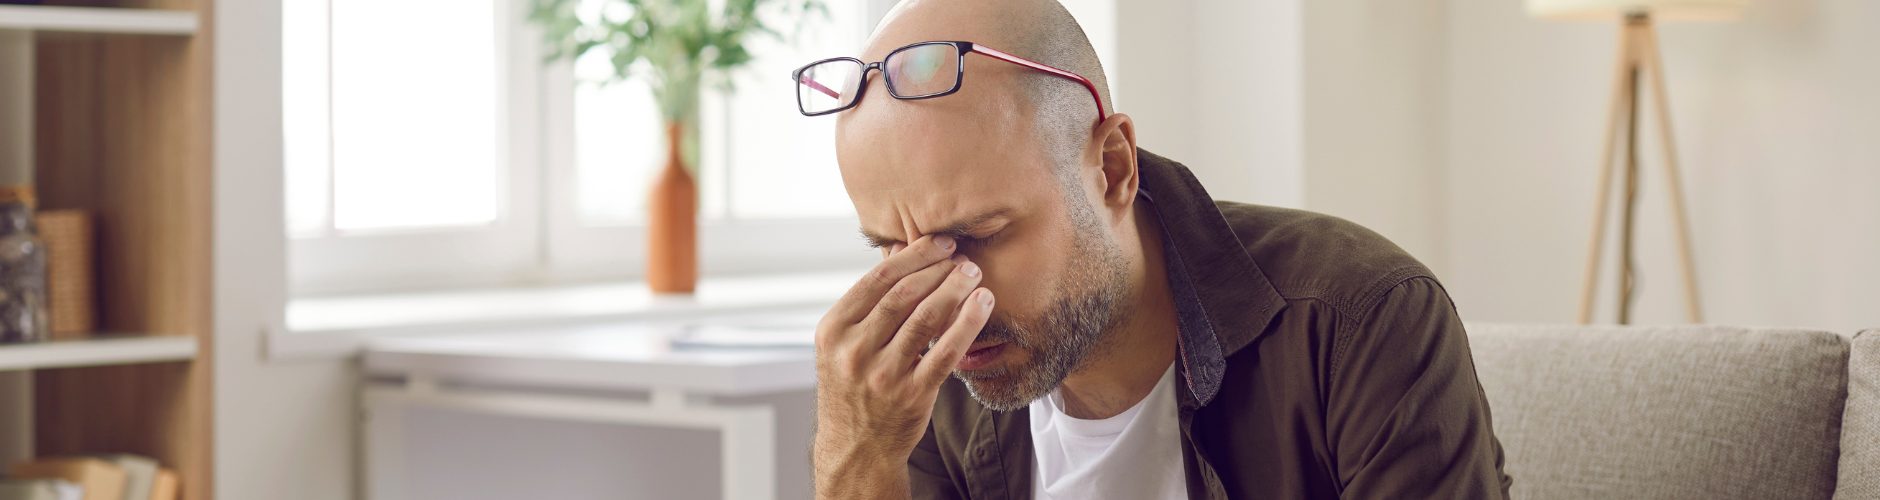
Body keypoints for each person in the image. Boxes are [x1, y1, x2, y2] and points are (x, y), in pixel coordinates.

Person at [796, 0, 1511, 498]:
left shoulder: (1359, 323)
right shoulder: (918, 388)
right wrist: (855, 461)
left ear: (1111, 168)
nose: (943, 298)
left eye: (981, 235)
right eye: (890, 247)